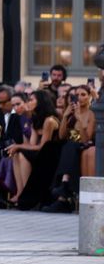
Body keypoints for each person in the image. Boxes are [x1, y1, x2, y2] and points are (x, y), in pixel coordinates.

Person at [44, 85, 96, 213]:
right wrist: (66, 117)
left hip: (84, 146)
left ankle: (64, 185)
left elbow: (85, 139)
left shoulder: (92, 114)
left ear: (90, 97)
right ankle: (62, 192)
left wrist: (79, 118)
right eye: (77, 95)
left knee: (70, 145)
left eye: (83, 94)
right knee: (56, 148)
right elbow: (62, 135)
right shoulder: (71, 113)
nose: (79, 98)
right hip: (71, 147)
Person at [6, 90, 60, 206]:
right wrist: (17, 147)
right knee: (17, 153)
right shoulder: (35, 119)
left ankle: (29, 195)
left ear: (40, 102)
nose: (28, 102)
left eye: (31, 100)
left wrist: (18, 146)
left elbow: (43, 146)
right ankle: (21, 192)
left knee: (21, 152)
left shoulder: (49, 120)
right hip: (40, 152)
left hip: (52, 154)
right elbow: (31, 144)